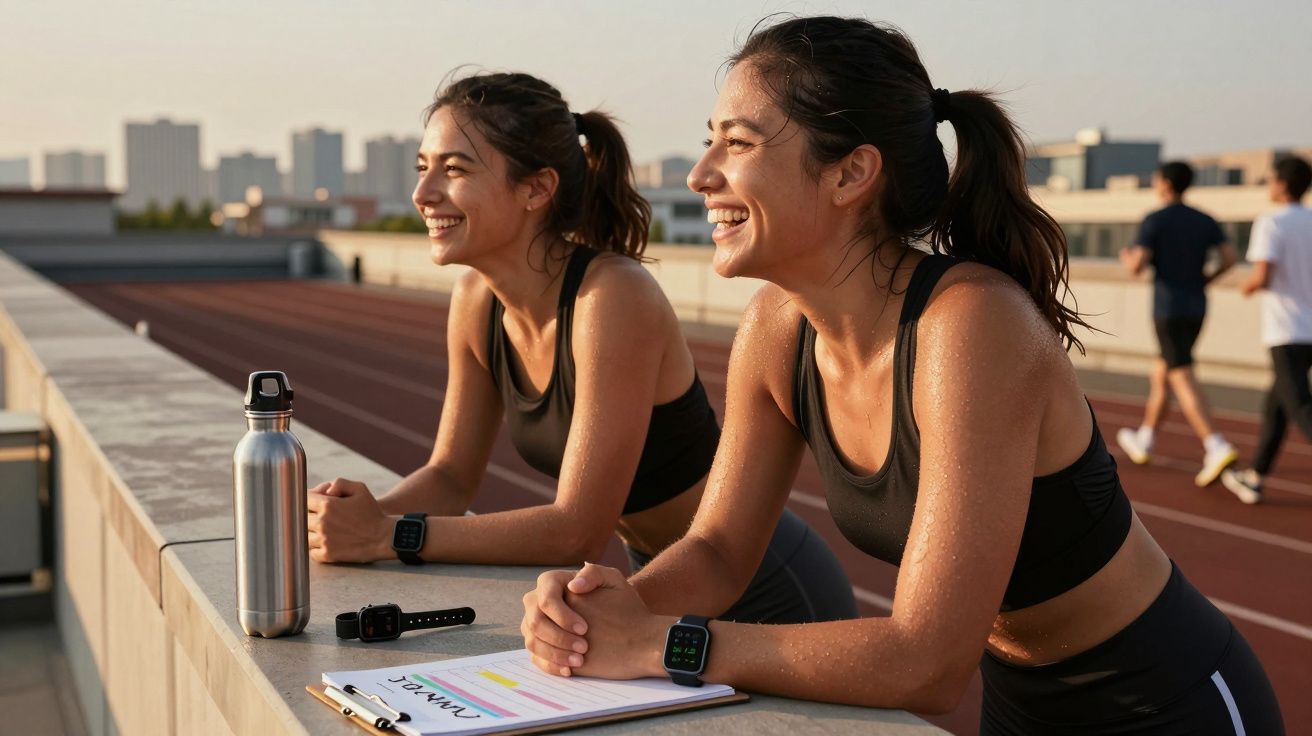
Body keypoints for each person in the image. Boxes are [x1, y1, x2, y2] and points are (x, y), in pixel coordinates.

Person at [519, 16, 1284, 734]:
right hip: (1019, 700)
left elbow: (925, 662)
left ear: (851, 172)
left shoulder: (972, 324)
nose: (699, 175)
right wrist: (601, 610)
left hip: (1167, 699)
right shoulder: (776, 327)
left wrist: (661, 644)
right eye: (708, 142)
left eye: (738, 143)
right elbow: (718, 549)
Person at [306, 71, 857, 625]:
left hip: (766, 587)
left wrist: (390, 535)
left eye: (454, 170)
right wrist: (347, 522)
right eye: (423, 168)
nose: (423, 194)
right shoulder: (477, 300)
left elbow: (577, 530)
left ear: (536, 189)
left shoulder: (610, 296)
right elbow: (450, 477)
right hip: (663, 579)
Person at [1116, 161, 1240, 486]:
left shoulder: (1155, 220)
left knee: (1180, 373)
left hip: (1168, 309)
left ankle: (1215, 444)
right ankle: (1145, 438)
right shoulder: (1204, 219)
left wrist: (1127, 257)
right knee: (1163, 371)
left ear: (1166, 184)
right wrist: (1206, 279)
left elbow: (1137, 266)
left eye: (1156, 179)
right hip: (1197, 307)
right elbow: (1230, 258)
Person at [1222, 156, 1312, 505]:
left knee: (1300, 407)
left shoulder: (1272, 222)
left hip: (1288, 330)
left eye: (1271, 179)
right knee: (1277, 405)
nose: (1268, 185)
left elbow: (1262, 276)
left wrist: (1244, 287)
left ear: (1283, 184)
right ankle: (1255, 476)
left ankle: (1256, 476)